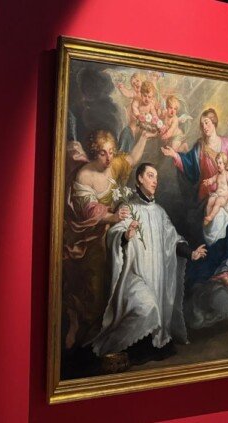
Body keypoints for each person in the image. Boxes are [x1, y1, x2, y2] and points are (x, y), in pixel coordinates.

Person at [91, 163, 207, 363]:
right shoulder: (128, 208)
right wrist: (125, 236)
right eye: (151, 176)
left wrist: (191, 253)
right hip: (133, 276)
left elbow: (173, 240)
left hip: (156, 277)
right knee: (146, 307)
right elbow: (113, 235)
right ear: (139, 179)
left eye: (156, 177)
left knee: (156, 317)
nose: (155, 181)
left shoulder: (160, 212)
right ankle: (121, 345)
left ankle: (147, 347)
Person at [62, 129, 153, 349]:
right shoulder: (85, 176)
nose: (109, 158)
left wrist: (144, 137)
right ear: (95, 153)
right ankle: (88, 330)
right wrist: (113, 217)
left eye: (111, 152)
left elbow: (132, 159)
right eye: (103, 153)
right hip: (89, 235)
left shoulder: (114, 165)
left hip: (112, 226)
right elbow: (91, 212)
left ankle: (124, 321)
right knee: (97, 279)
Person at [161, 108, 228, 327]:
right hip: (208, 199)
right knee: (208, 224)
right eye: (202, 124)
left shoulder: (227, 144)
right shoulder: (199, 147)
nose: (204, 127)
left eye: (207, 123)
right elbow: (191, 168)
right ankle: (203, 284)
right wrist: (175, 156)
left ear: (214, 123)